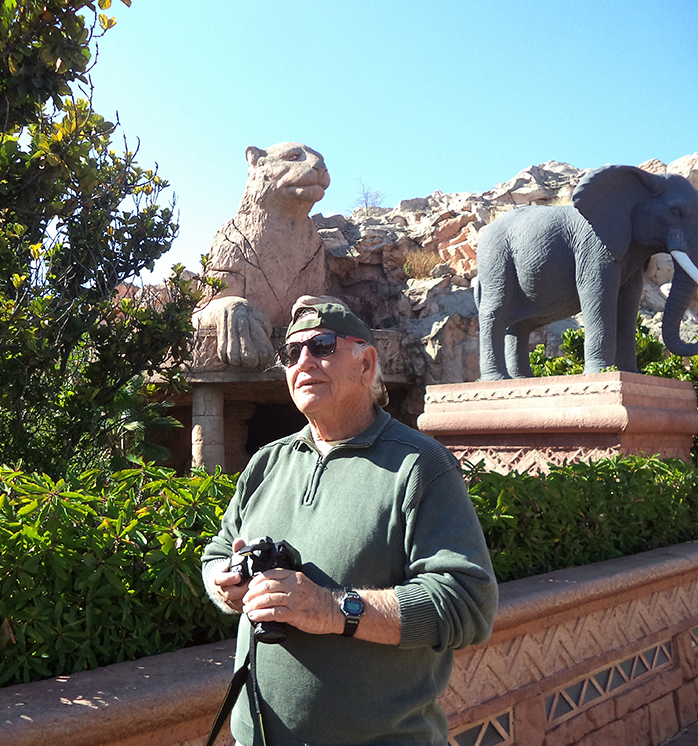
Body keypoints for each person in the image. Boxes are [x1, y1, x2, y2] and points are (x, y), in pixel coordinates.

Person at [201, 297, 498, 746]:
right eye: (291, 353)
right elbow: (218, 552)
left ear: (366, 363)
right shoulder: (267, 463)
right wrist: (224, 583)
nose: (304, 362)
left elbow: (467, 605)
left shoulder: (421, 467)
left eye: (321, 346)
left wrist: (331, 608)